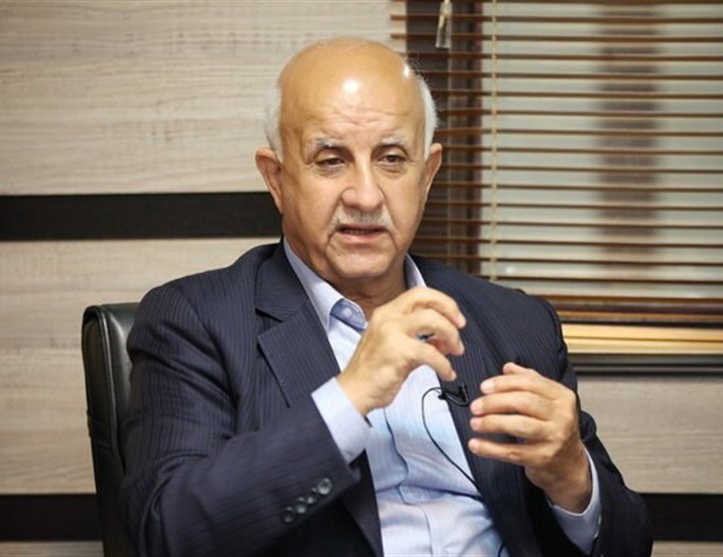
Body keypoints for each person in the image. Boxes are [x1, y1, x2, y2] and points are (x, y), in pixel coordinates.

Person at [123, 37, 652, 557]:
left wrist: (572, 476)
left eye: (392, 159)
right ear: (277, 179)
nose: (366, 196)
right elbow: (167, 533)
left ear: (428, 175)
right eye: (331, 160)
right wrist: (350, 396)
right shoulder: (197, 320)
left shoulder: (517, 322)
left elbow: (629, 545)